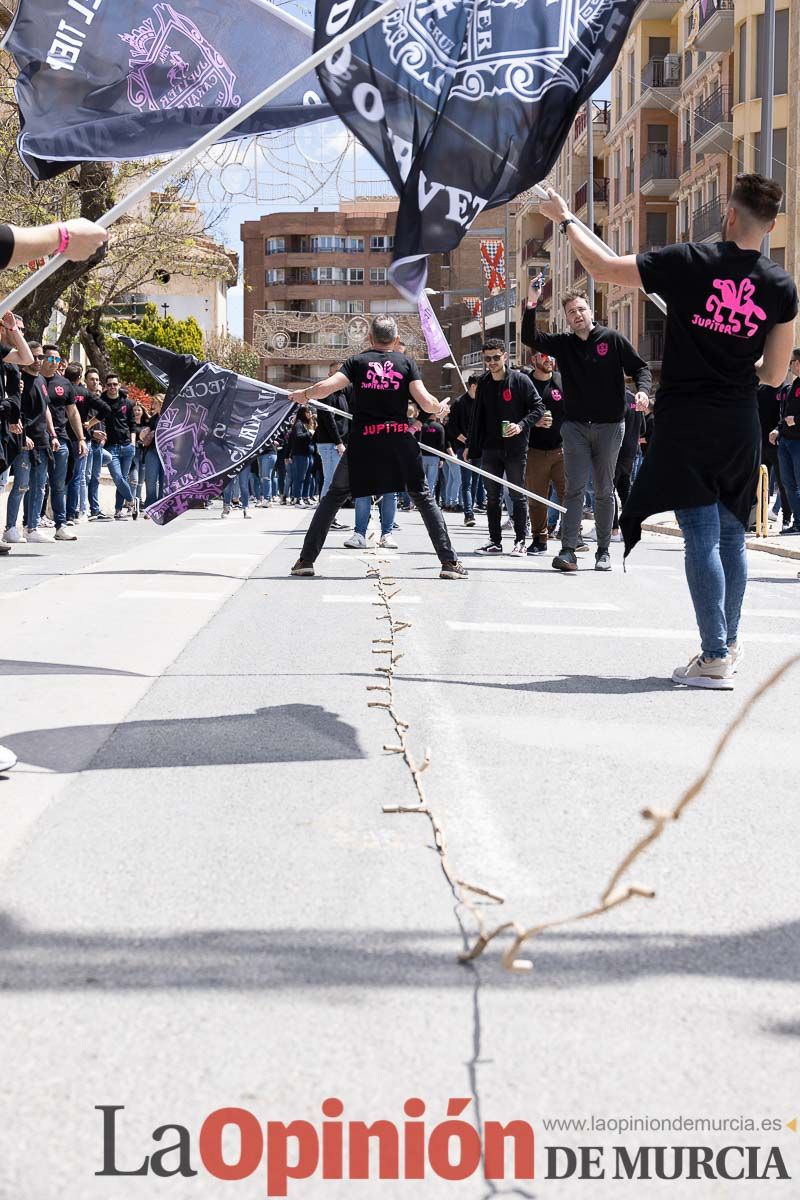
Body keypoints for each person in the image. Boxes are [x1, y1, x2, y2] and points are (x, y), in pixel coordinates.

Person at [538, 175, 798, 688]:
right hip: (740, 419)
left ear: (728, 213)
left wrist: (565, 218)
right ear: (769, 227)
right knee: (732, 536)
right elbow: (773, 374)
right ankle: (726, 644)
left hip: (685, 418)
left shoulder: (687, 261)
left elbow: (602, 268)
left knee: (701, 534)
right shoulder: (781, 286)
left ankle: (715, 653)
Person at [288, 315, 467, 579]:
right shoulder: (406, 363)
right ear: (395, 340)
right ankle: (449, 563)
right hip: (398, 440)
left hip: (364, 441)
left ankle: (305, 560)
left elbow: (327, 387)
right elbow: (426, 402)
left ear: (369, 339)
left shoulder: (357, 362)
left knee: (334, 496)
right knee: (423, 497)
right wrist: (439, 408)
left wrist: (304, 395)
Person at [522, 278, 651, 573]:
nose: (577, 315)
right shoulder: (564, 345)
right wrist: (532, 302)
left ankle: (603, 550)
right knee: (575, 489)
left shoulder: (612, 339)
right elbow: (530, 336)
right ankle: (568, 550)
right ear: (566, 319)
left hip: (610, 426)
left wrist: (643, 391)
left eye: (580, 309)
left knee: (604, 489)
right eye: (570, 312)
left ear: (591, 311)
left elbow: (640, 368)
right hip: (576, 427)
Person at [466, 338, 544, 556]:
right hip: (491, 448)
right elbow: (477, 417)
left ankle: (521, 541)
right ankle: (494, 541)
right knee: (492, 497)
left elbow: (538, 408)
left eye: (495, 357)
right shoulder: (483, 383)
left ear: (505, 357)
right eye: (487, 359)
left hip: (516, 448)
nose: (491, 362)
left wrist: (521, 426)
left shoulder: (520, 380)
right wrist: (472, 447)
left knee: (517, 494)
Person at [39, 344, 87, 540]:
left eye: (57, 360)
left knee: (59, 484)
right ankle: (31, 524)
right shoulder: (35, 380)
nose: (54, 363)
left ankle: (60, 525)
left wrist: (81, 438)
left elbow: (73, 412)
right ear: (42, 359)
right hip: (39, 439)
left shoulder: (65, 384)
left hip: (63, 441)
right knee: (38, 484)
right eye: (50, 359)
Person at [522, 351, 565, 554]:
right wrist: (534, 422)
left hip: (562, 450)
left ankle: (573, 537)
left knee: (570, 495)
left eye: (551, 356)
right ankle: (540, 539)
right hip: (534, 451)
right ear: (534, 360)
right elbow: (516, 413)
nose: (549, 359)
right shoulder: (525, 383)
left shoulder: (561, 381)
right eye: (544, 356)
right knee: (537, 499)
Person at [769, 349, 800, 535]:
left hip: (798, 443)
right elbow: (784, 414)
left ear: (798, 363)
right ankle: (798, 522)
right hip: (786, 441)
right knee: (788, 485)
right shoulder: (793, 385)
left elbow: (793, 416)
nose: (789, 365)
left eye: (792, 361)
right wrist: (777, 429)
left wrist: (797, 420)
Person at [100, 373, 136, 519]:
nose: (112, 387)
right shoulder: (101, 401)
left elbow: (132, 424)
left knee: (123, 478)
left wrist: (133, 443)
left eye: (115, 384)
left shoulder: (127, 402)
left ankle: (118, 509)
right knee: (118, 478)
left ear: (119, 385)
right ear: (106, 386)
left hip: (127, 446)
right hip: (111, 447)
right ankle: (132, 500)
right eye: (109, 385)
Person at [447, 375, 480, 525]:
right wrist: (466, 441)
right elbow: (452, 427)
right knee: (466, 481)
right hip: (463, 447)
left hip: (479, 447)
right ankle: (468, 513)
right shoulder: (459, 403)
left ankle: (470, 508)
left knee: (476, 481)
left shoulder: (482, 402)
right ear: (473, 386)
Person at [285, 406, 316, 507]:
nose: (310, 414)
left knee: (308, 477)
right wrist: (309, 433)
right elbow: (298, 437)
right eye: (308, 412)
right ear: (303, 413)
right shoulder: (298, 424)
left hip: (308, 454)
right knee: (300, 477)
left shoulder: (306, 424)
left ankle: (305, 497)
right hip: (300, 454)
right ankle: (298, 498)